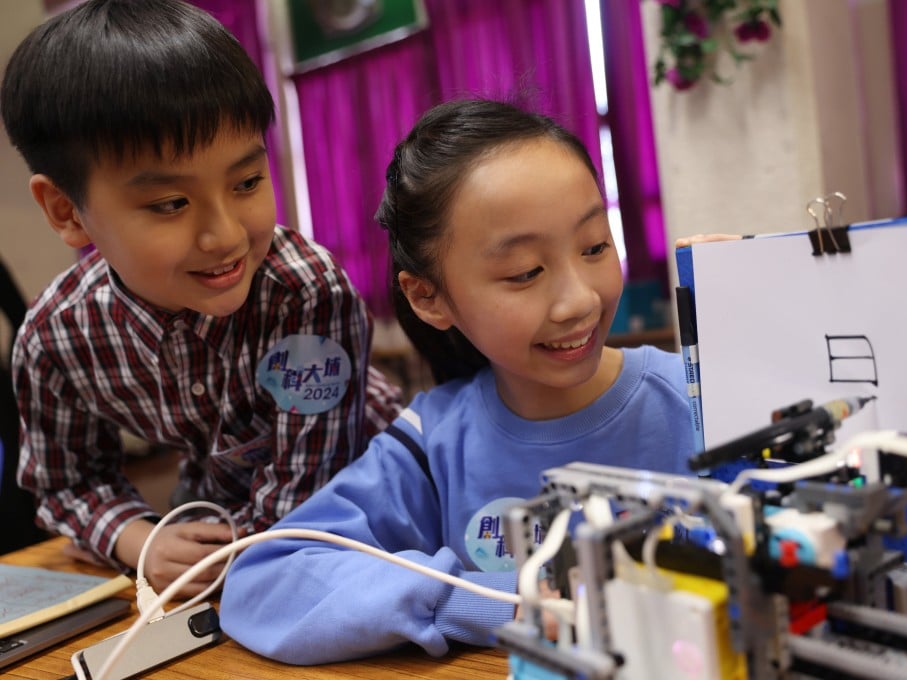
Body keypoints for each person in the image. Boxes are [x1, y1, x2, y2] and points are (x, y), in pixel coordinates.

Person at [219, 99, 696, 664]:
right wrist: (499, 602)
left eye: (595, 247)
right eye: (525, 273)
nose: (580, 300)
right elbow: (265, 580)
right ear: (428, 296)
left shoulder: (698, 396)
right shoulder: (432, 441)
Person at [0, 0, 401, 596]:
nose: (226, 236)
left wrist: (214, 567)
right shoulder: (56, 336)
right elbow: (65, 483)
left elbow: (307, 491)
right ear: (67, 210)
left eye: (246, 183)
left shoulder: (305, 293)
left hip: (368, 492)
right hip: (217, 505)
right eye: (170, 204)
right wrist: (140, 541)